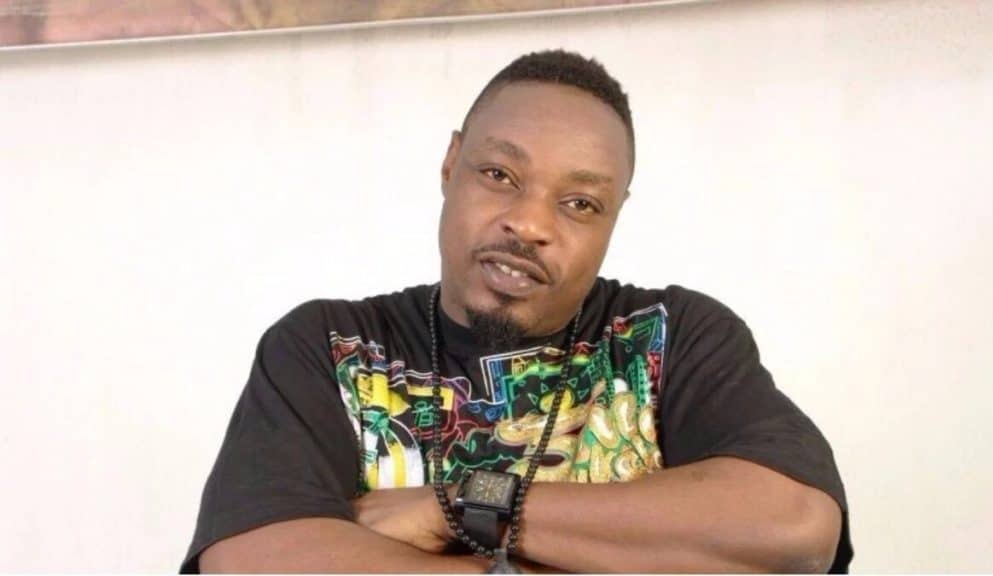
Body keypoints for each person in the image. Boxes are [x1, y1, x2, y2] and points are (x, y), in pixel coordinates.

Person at [181, 49, 853, 573]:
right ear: (451, 165)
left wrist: (463, 506)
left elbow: (793, 528)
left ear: (615, 216)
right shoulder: (328, 346)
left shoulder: (672, 337)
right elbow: (250, 561)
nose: (529, 224)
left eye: (580, 203)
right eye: (499, 175)